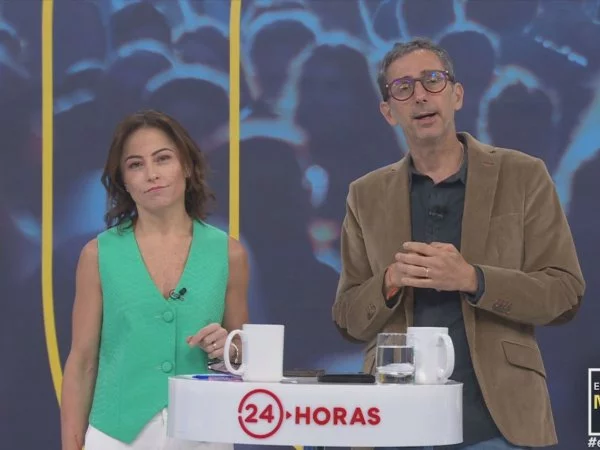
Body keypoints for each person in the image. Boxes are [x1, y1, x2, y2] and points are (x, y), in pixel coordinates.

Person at [332, 39, 585, 450]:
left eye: (432, 80)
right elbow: (348, 318)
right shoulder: (365, 194)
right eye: (403, 88)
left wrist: (474, 279)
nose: (420, 95)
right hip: (397, 422)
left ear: (457, 94)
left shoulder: (523, 175)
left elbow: (564, 294)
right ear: (388, 112)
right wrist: (389, 281)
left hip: (497, 422)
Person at [61, 110, 249, 450]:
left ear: (187, 166)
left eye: (163, 159)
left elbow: (243, 354)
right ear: (123, 180)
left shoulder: (229, 253)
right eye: (136, 164)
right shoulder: (97, 255)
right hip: (116, 435)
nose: (151, 174)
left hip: (204, 432)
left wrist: (228, 348)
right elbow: (82, 361)